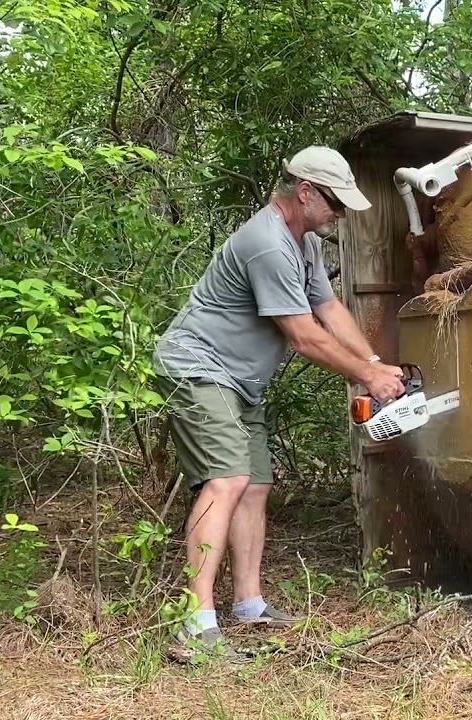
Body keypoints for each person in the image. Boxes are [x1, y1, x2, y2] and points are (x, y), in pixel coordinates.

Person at [152, 145, 406, 660]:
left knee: (256, 484)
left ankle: (248, 606)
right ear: (305, 191)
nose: (339, 215)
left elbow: (329, 310)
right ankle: (194, 627)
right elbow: (304, 337)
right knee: (227, 480)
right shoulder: (267, 243)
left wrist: (377, 364)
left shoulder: (303, 244)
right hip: (198, 367)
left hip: (238, 380)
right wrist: (365, 377)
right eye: (335, 203)